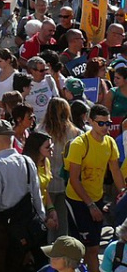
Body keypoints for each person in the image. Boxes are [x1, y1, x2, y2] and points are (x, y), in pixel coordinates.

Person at [0, 118, 46, 272]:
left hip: (2, 230)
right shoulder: (27, 161)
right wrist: (41, 220)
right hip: (26, 227)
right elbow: (36, 195)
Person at [65, 102, 124, 270]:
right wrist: (90, 205)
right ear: (90, 121)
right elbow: (74, 180)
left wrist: (123, 193)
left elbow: (115, 171)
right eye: (101, 123)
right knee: (88, 248)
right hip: (77, 201)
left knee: (93, 246)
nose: (106, 127)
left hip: (97, 198)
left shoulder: (110, 143)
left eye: (108, 123)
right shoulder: (79, 144)